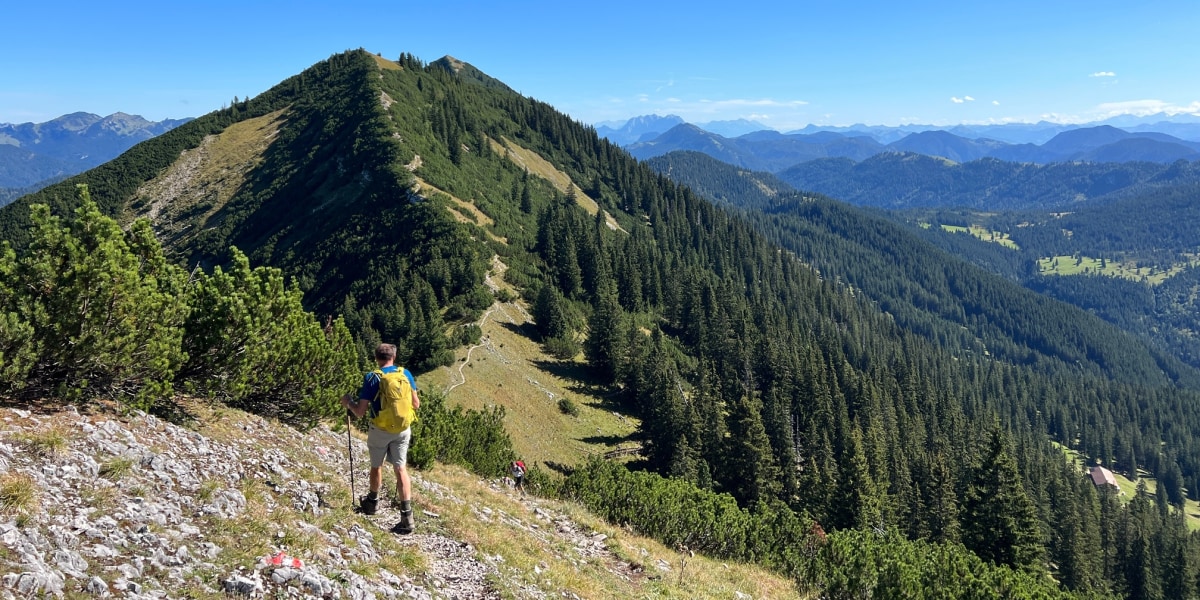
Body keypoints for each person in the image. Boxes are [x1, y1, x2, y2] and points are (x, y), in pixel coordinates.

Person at [342, 343, 420, 534]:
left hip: (380, 429)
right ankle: (407, 516)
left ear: (376, 358)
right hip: (403, 429)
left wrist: (348, 403)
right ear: (394, 356)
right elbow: (416, 405)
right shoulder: (405, 374)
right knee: (400, 468)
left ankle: (372, 502)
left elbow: (360, 412)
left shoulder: (372, 377)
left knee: (376, 466)